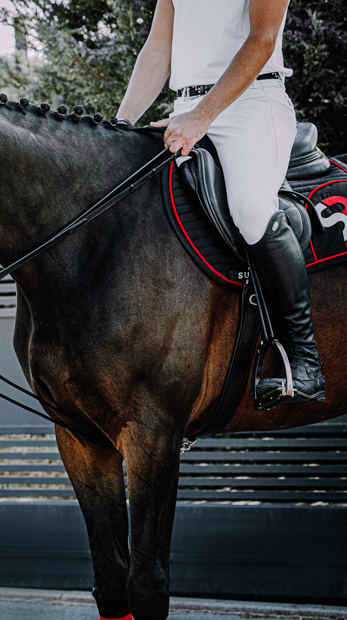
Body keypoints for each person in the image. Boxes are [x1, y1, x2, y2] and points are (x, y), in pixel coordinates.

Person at [116, 0, 325, 408]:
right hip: (185, 110)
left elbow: (262, 40)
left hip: (251, 105)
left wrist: (202, 116)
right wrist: (120, 124)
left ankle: (305, 360)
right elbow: (158, 49)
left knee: (250, 209)